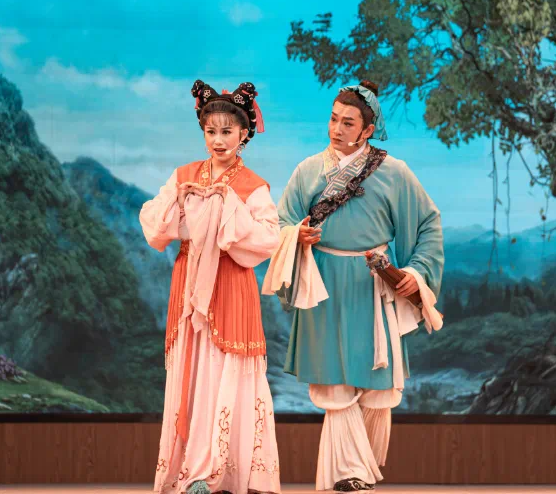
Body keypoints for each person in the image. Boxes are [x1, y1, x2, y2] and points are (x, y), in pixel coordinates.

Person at [263, 80, 444, 492]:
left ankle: (361, 467)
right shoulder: (308, 170)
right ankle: (351, 472)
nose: (337, 129)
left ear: (368, 130)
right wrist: (295, 235)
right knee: (335, 381)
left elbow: (428, 225)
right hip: (323, 283)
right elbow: (279, 222)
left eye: (348, 122)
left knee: (378, 385)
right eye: (333, 119)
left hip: (372, 282)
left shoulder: (395, 173)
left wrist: (414, 274)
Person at [140, 80, 281, 494]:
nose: (219, 140)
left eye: (227, 132)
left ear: (244, 134)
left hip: (230, 280)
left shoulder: (253, 186)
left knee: (225, 369)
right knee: (192, 368)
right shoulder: (183, 176)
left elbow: (268, 238)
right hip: (189, 282)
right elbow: (153, 223)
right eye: (211, 131)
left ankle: (226, 470)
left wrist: (226, 206)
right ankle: (193, 470)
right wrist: (180, 201)